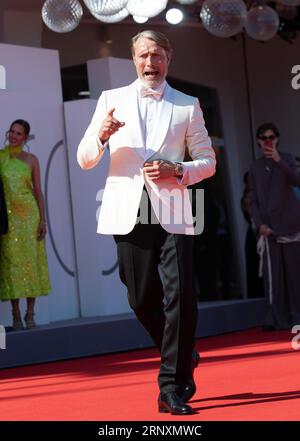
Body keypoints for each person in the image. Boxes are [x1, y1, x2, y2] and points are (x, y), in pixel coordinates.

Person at [77, 30, 216, 415]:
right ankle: (183, 353)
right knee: (139, 297)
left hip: (173, 208)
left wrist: (178, 168)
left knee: (182, 295)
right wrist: (101, 137)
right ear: (133, 59)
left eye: (156, 54)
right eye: (142, 55)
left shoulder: (187, 105)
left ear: (168, 57)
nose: (149, 62)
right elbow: (84, 158)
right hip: (127, 207)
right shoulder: (111, 100)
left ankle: (171, 386)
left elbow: (208, 162)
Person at [248, 122, 300, 330]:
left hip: (291, 227)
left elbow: (296, 180)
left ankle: (297, 317)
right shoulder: (255, 167)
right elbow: (252, 199)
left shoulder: (287, 158)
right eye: (264, 137)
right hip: (268, 230)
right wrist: (259, 224)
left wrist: (279, 161)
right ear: (259, 141)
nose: (268, 140)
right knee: (273, 279)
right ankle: (275, 319)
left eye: (272, 137)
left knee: (295, 276)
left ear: (277, 139)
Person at [0, 119, 51, 330]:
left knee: (31, 263)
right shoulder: (1, 158)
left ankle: (30, 314)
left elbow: (38, 191)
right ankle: (15, 315)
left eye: (19, 133)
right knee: (11, 265)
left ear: (26, 137)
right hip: (8, 219)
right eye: (12, 131)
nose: (14, 136)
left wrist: (42, 220)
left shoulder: (31, 160)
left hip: (29, 217)